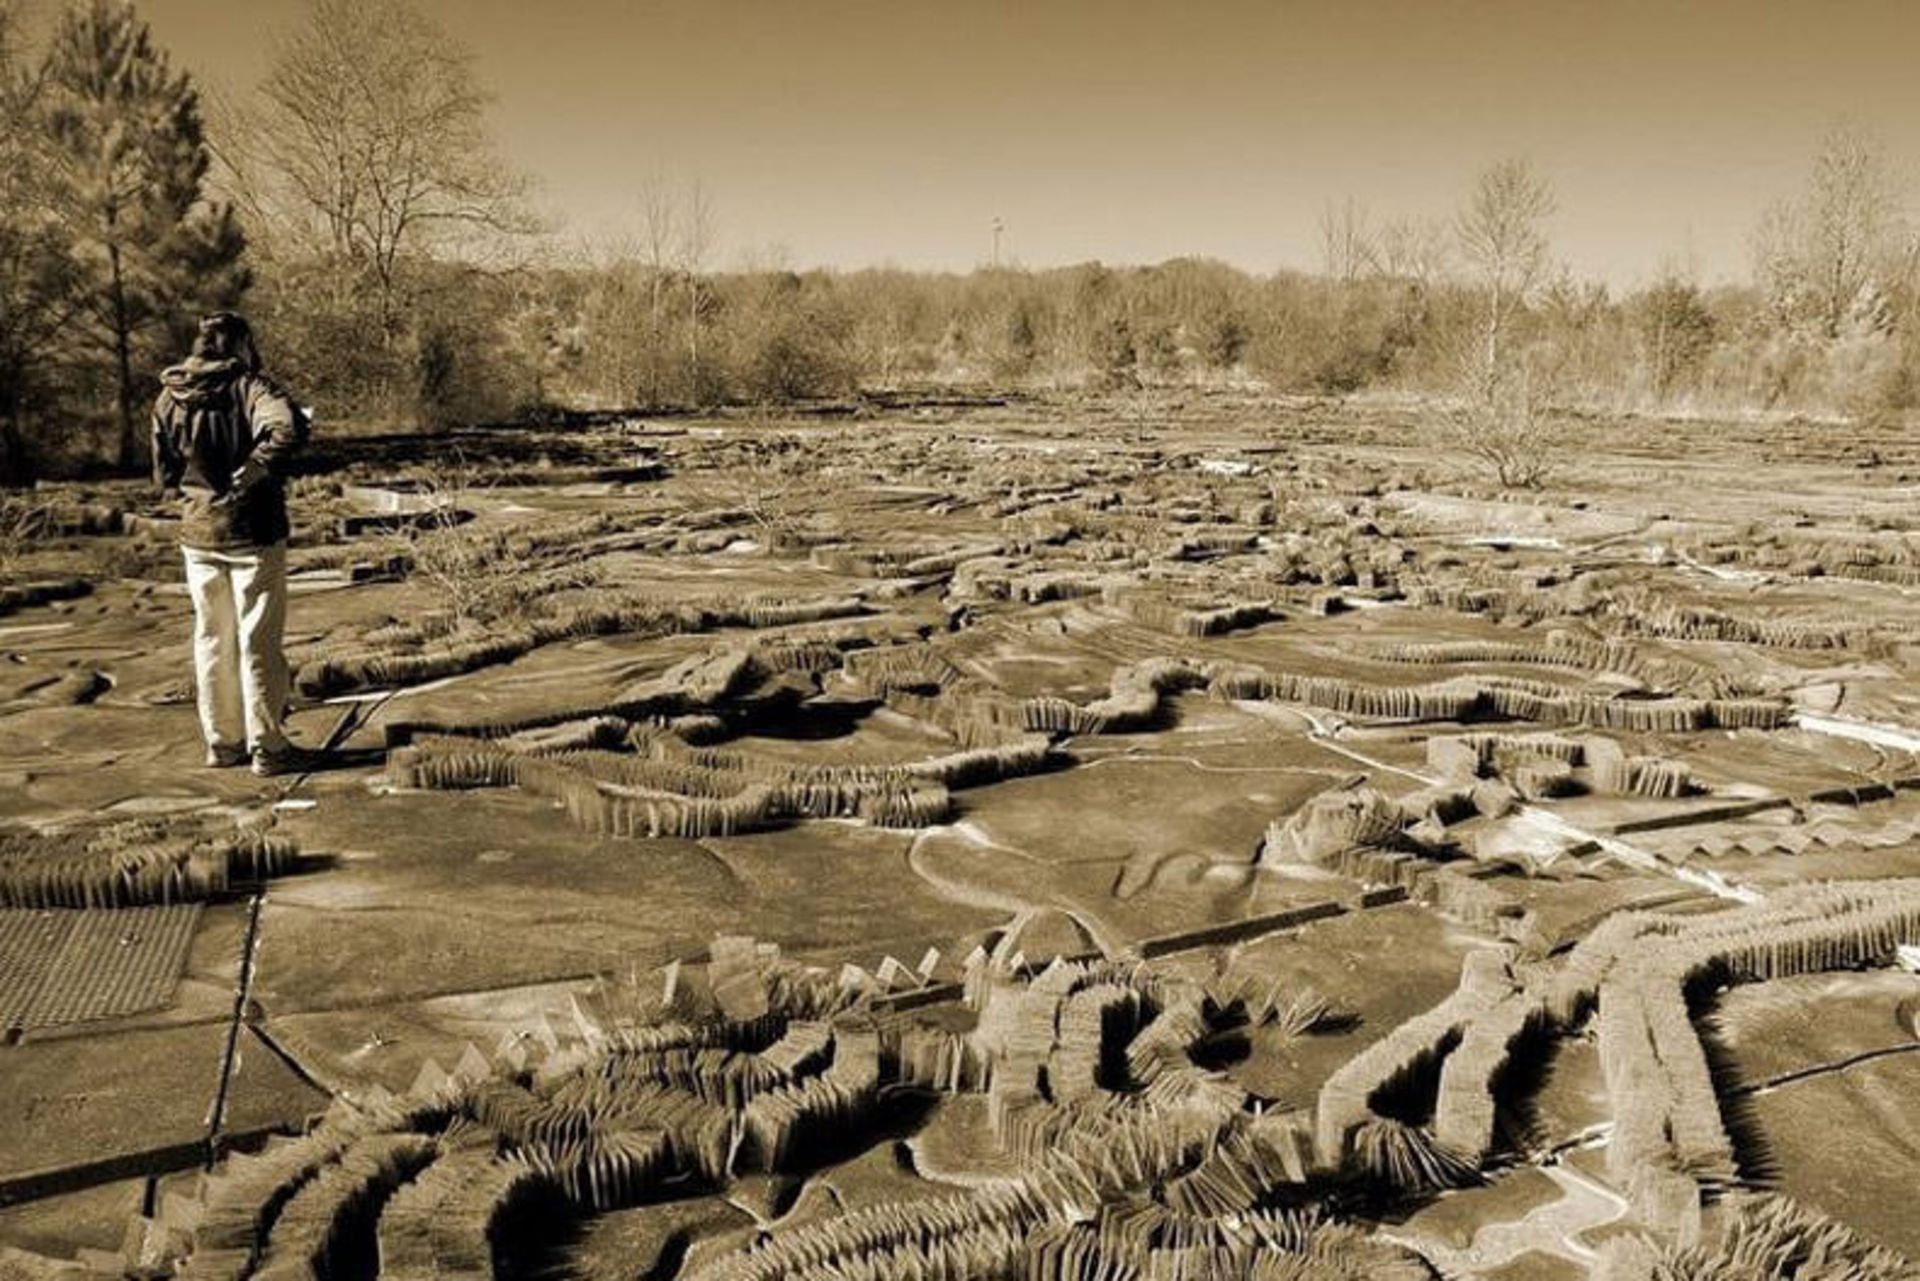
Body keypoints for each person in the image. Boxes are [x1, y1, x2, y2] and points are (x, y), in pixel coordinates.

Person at [152, 311, 316, 777]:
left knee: (210, 640)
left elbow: (164, 474)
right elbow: (284, 429)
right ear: (240, 343)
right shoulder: (252, 387)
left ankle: (223, 744)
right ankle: (269, 747)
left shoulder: (169, 395)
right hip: (253, 532)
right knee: (258, 643)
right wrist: (260, 463)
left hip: (198, 533)